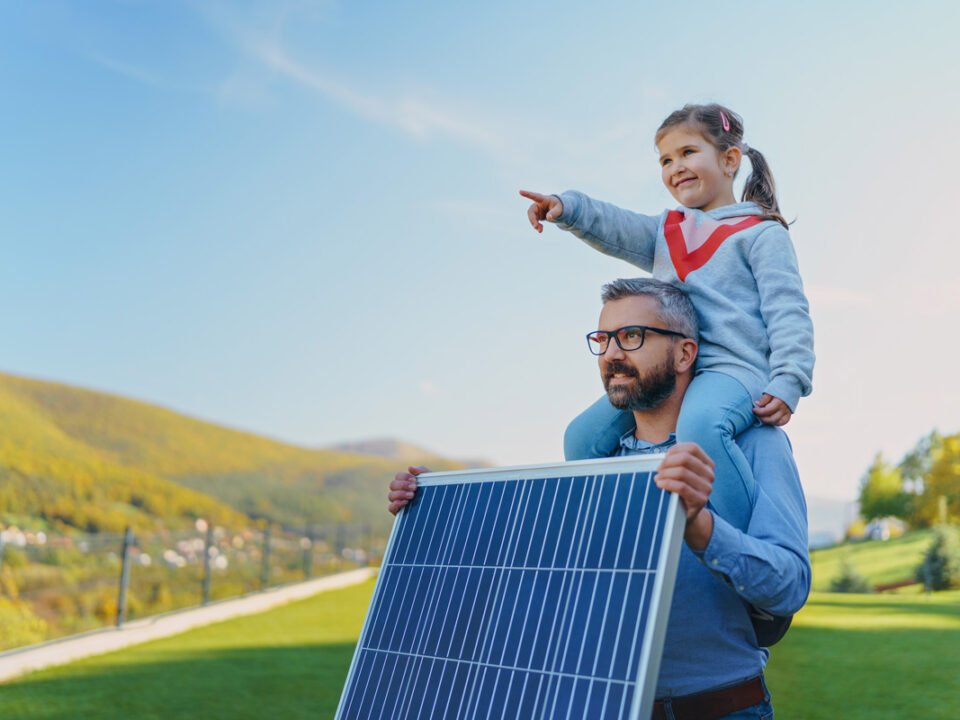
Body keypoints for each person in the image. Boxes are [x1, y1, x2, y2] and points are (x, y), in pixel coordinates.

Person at [388, 278, 810, 719]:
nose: (612, 354)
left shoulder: (755, 445)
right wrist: (435, 509)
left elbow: (789, 587)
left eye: (632, 336)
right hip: (605, 705)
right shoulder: (598, 465)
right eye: (603, 339)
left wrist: (702, 529)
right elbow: (527, 572)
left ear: (685, 353)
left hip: (723, 709)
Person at [519, 102, 815, 532]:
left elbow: (788, 310)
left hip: (734, 370)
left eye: (688, 152)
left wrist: (790, 379)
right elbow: (615, 226)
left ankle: (729, 534)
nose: (676, 166)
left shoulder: (761, 233)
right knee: (580, 437)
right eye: (665, 160)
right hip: (672, 371)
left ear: (730, 160)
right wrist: (567, 208)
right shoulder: (668, 231)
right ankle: (612, 535)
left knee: (700, 423)